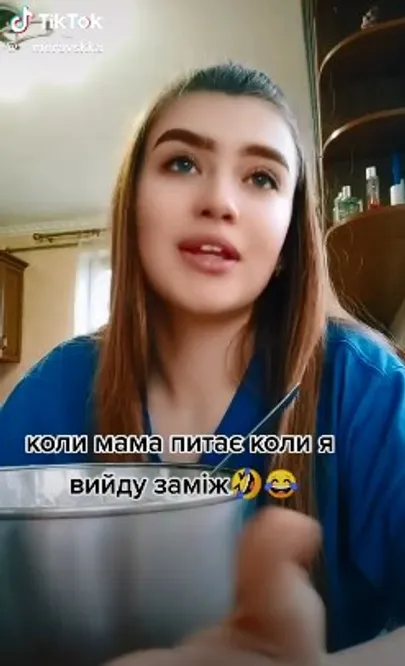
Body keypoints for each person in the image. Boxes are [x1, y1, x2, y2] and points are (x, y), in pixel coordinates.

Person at [0, 61, 405, 663]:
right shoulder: (49, 394)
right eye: (183, 164)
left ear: (289, 239)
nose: (218, 201)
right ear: (133, 206)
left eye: (262, 178)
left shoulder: (366, 389)